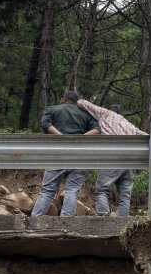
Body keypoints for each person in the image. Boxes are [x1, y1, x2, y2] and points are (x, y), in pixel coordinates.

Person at [31, 89, 100, 217]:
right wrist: (78, 139)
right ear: (77, 102)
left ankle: (35, 219)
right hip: (78, 156)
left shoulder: (53, 109)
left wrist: (61, 136)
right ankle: (66, 223)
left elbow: (45, 123)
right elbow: (97, 129)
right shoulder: (85, 114)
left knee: (47, 190)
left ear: (63, 100)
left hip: (57, 154)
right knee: (72, 191)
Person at [78, 97, 144, 216]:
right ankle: (122, 223)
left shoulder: (106, 114)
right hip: (129, 163)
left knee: (102, 189)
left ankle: (103, 219)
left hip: (113, 158)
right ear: (121, 114)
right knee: (124, 195)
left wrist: (75, 101)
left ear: (110, 110)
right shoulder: (129, 125)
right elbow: (146, 136)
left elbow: (83, 103)